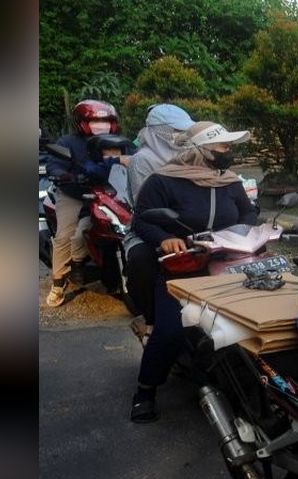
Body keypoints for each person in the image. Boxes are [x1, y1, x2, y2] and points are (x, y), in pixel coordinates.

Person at [126, 122, 258, 423]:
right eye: (223, 147)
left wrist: (244, 230)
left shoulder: (228, 180)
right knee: (170, 330)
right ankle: (145, 391)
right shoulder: (163, 181)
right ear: (200, 151)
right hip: (181, 264)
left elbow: (248, 211)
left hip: (228, 261)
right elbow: (142, 221)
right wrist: (164, 239)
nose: (229, 153)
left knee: (251, 320)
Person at [45, 100, 129, 307]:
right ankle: (58, 283)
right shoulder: (68, 142)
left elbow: (137, 158)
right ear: (81, 122)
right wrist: (63, 174)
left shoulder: (119, 141)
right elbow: (54, 165)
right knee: (65, 235)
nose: (101, 124)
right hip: (75, 193)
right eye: (94, 120)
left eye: (106, 120)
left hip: (112, 193)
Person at [127, 104, 195, 200]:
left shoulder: (187, 152)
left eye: (184, 130)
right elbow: (143, 201)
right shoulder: (142, 159)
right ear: (159, 129)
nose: (182, 134)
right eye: (177, 130)